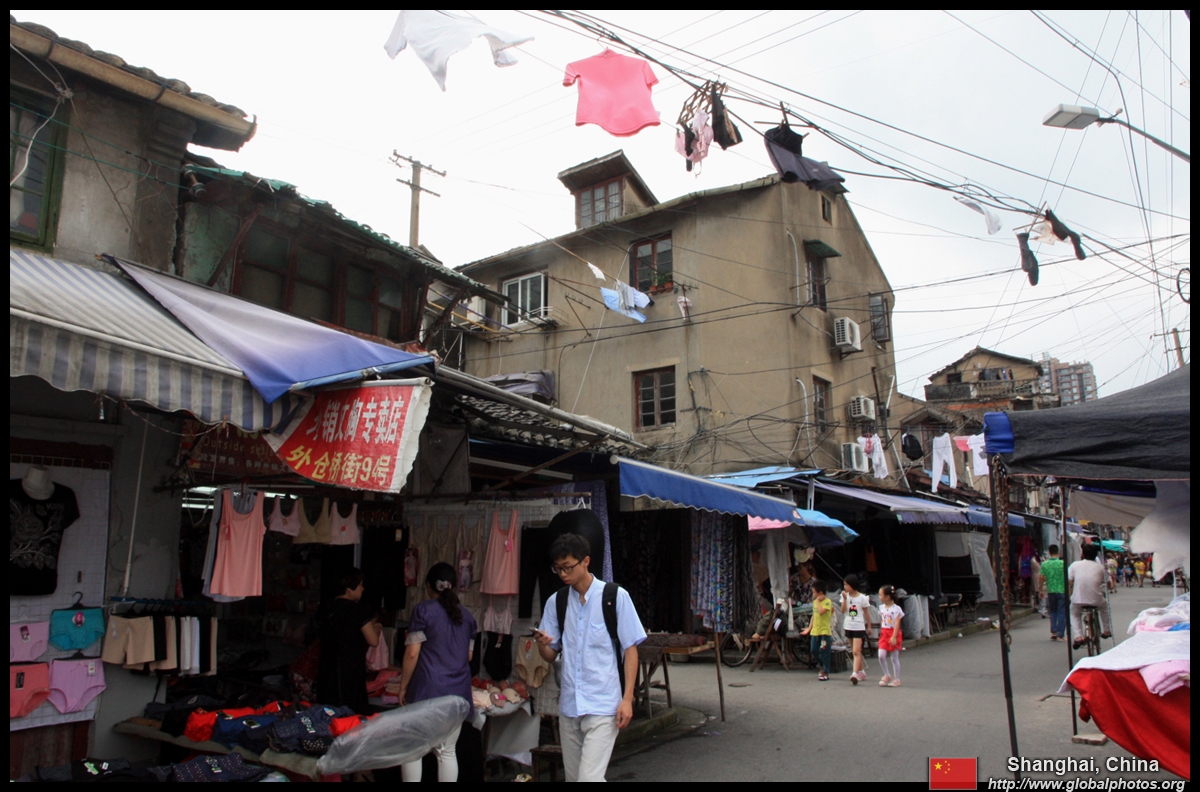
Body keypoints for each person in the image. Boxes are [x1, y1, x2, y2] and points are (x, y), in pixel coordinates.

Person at [534, 533, 646, 782]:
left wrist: (627, 699)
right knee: (575, 779)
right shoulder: (557, 602)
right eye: (558, 568)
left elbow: (630, 650)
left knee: (588, 779)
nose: (563, 574)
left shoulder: (615, 597)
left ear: (586, 561)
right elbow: (551, 655)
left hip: (603, 704)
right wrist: (543, 645)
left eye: (568, 567)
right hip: (570, 706)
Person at [397, 562, 477, 782]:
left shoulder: (423, 610)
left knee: (413, 749)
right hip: (458, 693)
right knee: (447, 752)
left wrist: (403, 686)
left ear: (429, 586)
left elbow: (412, 653)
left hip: (427, 689)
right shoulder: (468, 617)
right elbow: (468, 656)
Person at [315, 568, 381, 713]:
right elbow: (374, 641)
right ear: (349, 589)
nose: (362, 589)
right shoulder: (358, 610)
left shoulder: (324, 608)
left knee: (327, 709)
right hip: (351, 667)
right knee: (351, 708)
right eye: (360, 585)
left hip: (327, 665)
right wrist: (375, 630)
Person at [1069, 544, 1113, 649]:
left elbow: (1070, 581)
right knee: (1104, 607)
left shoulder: (1074, 565)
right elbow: (1108, 584)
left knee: (1074, 614)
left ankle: (1078, 636)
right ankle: (1106, 631)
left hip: (1078, 599)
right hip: (1096, 599)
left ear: (1083, 554)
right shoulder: (1101, 567)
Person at [841, 574, 872, 685]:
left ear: (852, 585)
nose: (845, 587)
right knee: (856, 651)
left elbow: (866, 613)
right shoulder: (845, 596)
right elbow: (843, 610)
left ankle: (855, 673)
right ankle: (861, 671)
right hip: (848, 625)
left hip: (859, 626)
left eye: (846, 585)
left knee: (856, 651)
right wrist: (845, 599)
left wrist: (869, 626)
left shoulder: (862, 598)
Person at [800, 580, 833, 681]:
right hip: (815, 631)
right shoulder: (815, 602)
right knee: (813, 650)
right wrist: (809, 628)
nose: (813, 594)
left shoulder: (827, 602)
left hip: (824, 632)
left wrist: (818, 602)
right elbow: (814, 616)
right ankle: (822, 665)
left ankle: (825, 671)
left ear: (821, 593)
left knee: (824, 651)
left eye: (814, 592)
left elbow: (821, 611)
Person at [876, 585, 904, 688]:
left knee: (894, 657)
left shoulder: (896, 609)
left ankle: (897, 679)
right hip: (884, 632)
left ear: (887, 597)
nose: (879, 597)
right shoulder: (881, 608)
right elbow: (882, 620)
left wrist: (894, 636)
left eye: (880, 595)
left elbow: (897, 623)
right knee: (881, 655)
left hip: (893, 633)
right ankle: (887, 674)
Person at [1040, 545, 1067, 641]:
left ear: (1049, 552)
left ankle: (1054, 630)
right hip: (1062, 590)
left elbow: (1041, 578)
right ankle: (1060, 634)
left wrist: (1040, 590)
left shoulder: (1044, 564)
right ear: (1058, 552)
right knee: (1062, 611)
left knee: (1052, 611)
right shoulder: (1063, 564)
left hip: (1051, 590)